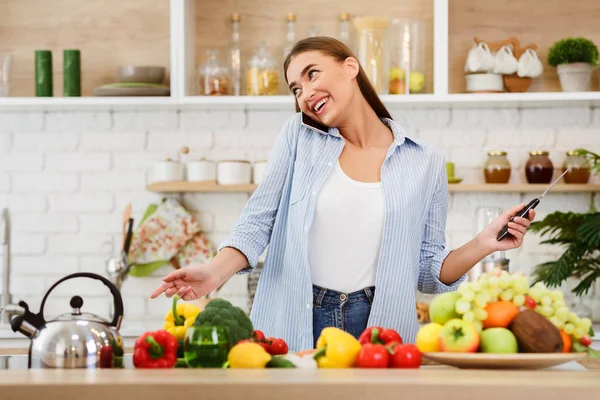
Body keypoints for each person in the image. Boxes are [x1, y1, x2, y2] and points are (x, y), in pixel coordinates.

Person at [151, 37, 535, 352]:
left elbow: (428, 270)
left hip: (380, 327)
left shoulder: (424, 160)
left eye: (312, 74)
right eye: (296, 88)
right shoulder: (298, 137)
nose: (304, 94)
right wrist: (213, 273)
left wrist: (485, 243)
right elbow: (258, 221)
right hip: (298, 318)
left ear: (350, 68)